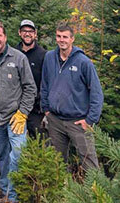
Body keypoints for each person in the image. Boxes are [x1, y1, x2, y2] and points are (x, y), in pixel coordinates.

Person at [0, 21, 36, 203]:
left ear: (5, 37)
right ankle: (5, 192)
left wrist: (23, 113)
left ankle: (14, 196)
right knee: (2, 154)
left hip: (15, 117)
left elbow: (30, 88)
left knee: (18, 152)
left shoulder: (18, 58)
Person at [41, 21, 103, 171]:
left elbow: (96, 92)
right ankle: (62, 193)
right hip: (55, 120)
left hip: (78, 122)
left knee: (89, 162)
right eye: (58, 36)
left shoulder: (83, 62)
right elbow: (44, 84)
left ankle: (94, 193)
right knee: (57, 163)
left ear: (72, 39)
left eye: (65, 37)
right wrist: (46, 109)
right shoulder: (49, 57)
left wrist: (90, 120)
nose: (61, 40)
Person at [15, 19, 47, 137]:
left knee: (40, 143)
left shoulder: (43, 55)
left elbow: (47, 82)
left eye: (30, 31)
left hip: (36, 111)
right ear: (19, 32)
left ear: (35, 34)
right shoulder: (13, 53)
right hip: (15, 108)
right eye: (24, 31)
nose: (27, 34)